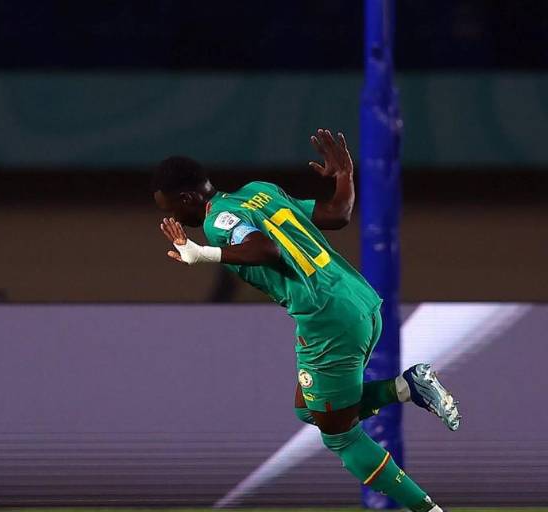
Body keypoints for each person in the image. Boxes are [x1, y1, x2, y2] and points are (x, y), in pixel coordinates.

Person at [153, 129, 460, 511]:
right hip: (357, 299)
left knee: (341, 437)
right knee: (308, 408)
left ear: (187, 199)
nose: (171, 217)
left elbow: (265, 248)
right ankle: (405, 387)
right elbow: (337, 214)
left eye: (170, 209)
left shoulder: (220, 221)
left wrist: (202, 255)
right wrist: (345, 175)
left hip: (327, 319)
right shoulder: (258, 191)